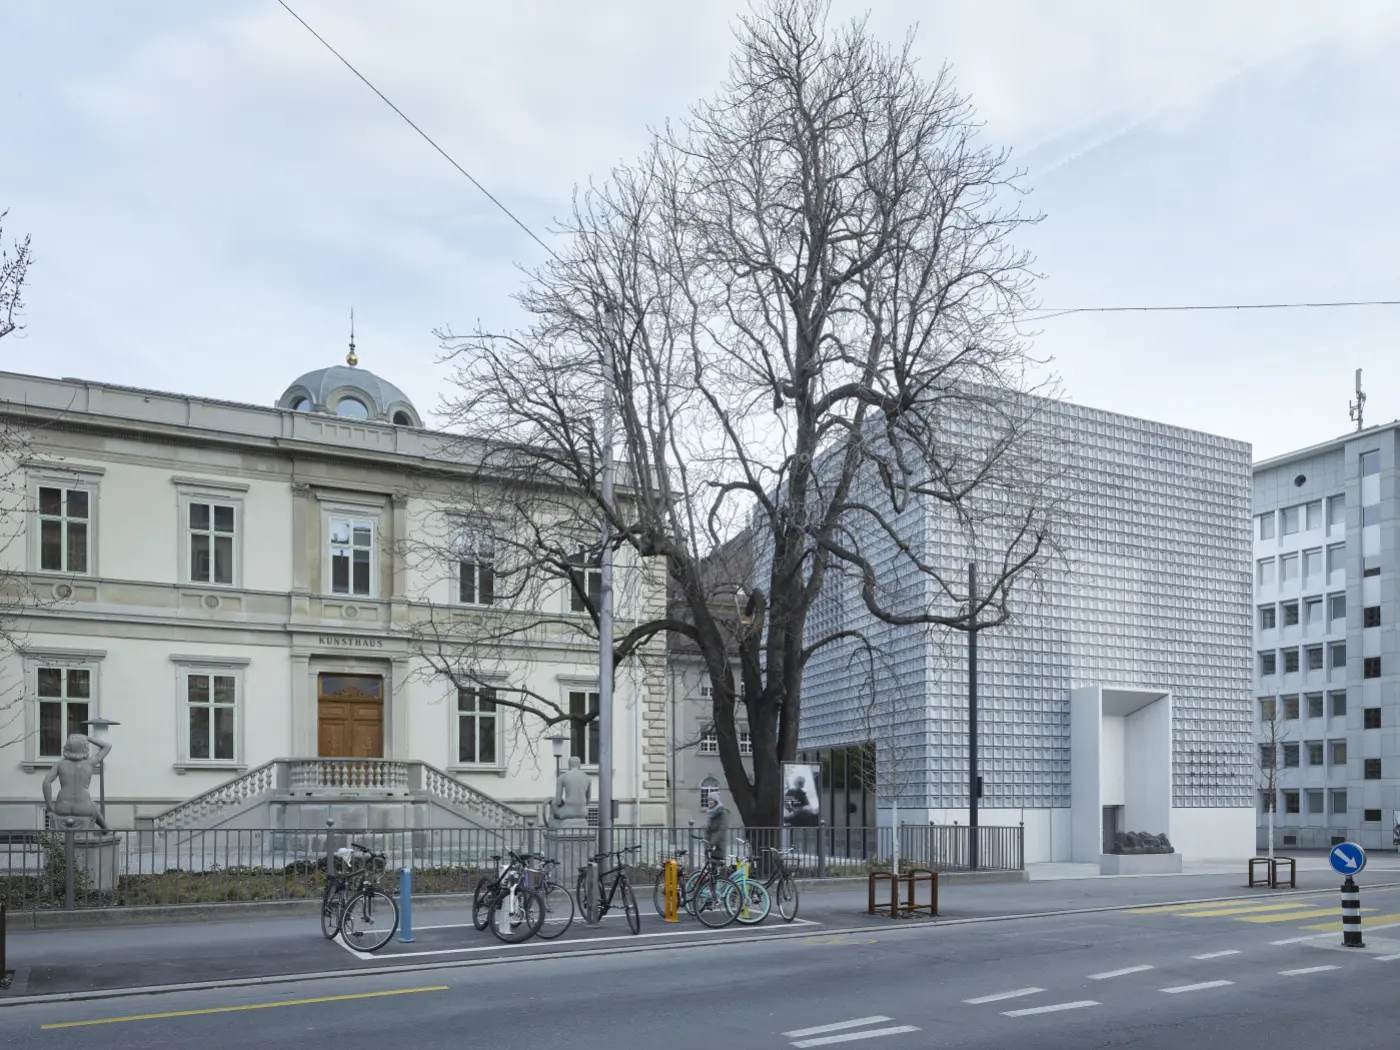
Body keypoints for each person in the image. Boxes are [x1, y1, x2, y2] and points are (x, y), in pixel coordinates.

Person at [704, 789, 731, 862]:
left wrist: (712, 843)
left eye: (711, 800)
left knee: (717, 868)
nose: (709, 802)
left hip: (717, 845)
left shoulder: (723, 812)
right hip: (710, 845)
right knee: (709, 869)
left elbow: (722, 829)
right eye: (708, 800)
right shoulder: (711, 813)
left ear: (716, 801)